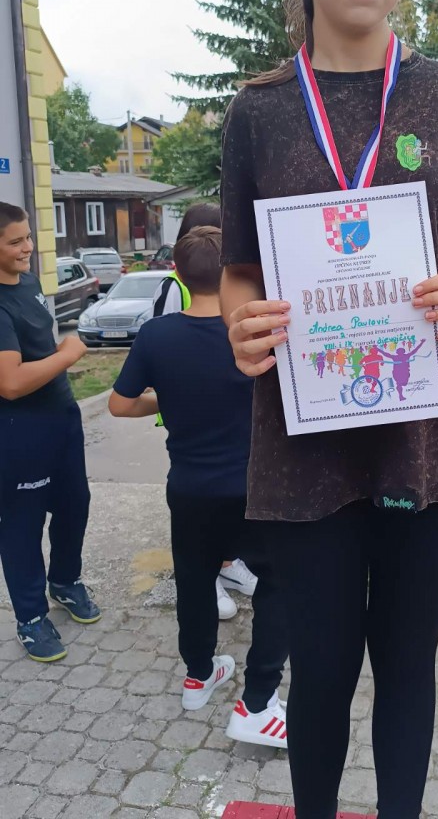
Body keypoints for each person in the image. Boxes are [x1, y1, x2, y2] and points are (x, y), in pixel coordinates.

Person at [219, 0, 438, 819]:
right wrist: (241, 325)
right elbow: (238, 270)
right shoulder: (259, 114)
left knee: (406, 665)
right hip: (305, 446)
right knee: (322, 669)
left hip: (427, 438)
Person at [109, 226, 288, 745]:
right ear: (235, 273)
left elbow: (119, 404)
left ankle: (197, 677)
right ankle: (259, 697)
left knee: (193, 581)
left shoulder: (156, 336)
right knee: (279, 583)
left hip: (189, 487)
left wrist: (167, 399)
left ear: (178, 276)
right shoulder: (258, 331)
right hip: (256, 486)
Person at [0, 202, 101, 663]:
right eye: (15, 242)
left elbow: (38, 349)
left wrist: (58, 356)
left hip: (61, 416)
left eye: (28, 237)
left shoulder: (29, 282)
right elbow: (11, 382)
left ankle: (64, 581)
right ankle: (30, 618)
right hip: (21, 429)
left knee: (74, 504)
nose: (28, 247)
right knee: (22, 524)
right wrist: (68, 354)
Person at [152, 202, 259, 622]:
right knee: (198, 505)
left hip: (227, 409)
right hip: (189, 413)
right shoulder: (172, 291)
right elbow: (163, 352)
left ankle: (228, 562)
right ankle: (207, 572)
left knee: (229, 493)